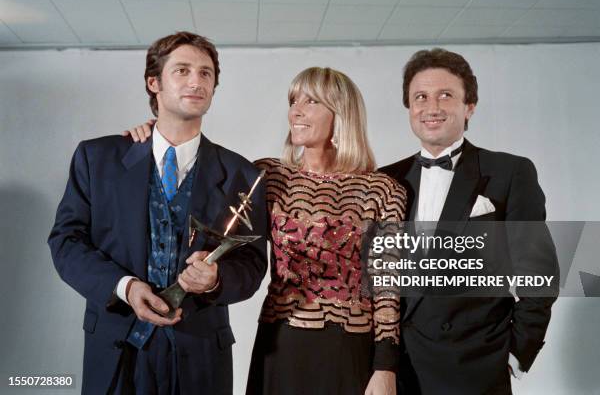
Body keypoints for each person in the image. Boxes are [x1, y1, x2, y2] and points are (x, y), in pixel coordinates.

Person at [126, 67, 407, 395]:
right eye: (293, 100)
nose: (295, 111)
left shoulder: (383, 189)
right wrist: (158, 138)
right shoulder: (268, 175)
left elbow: (388, 287)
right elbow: (202, 173)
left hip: (349, 346)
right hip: (281, 342)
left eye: (311, 101)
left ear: (341, 113)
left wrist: (385, 367)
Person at [48, 31, 267, 394]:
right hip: (116, 348)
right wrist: (126, 287)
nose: (196, 81)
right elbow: (66, 243)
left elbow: (253, 265)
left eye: (206, 73)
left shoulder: (243, 174)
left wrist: (215, 280)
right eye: (182, 70)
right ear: (154, 83)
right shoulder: (97, 158)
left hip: (199, 359)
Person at [379, 48, 559, 394]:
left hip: (474, 366)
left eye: (446, 95)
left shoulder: (509, 172)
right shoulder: (386, 180)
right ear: (410, 108)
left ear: (469, 107)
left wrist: (515, 352)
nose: (432, 107)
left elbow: (539, 271)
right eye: (421, 97)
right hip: (400, 369)